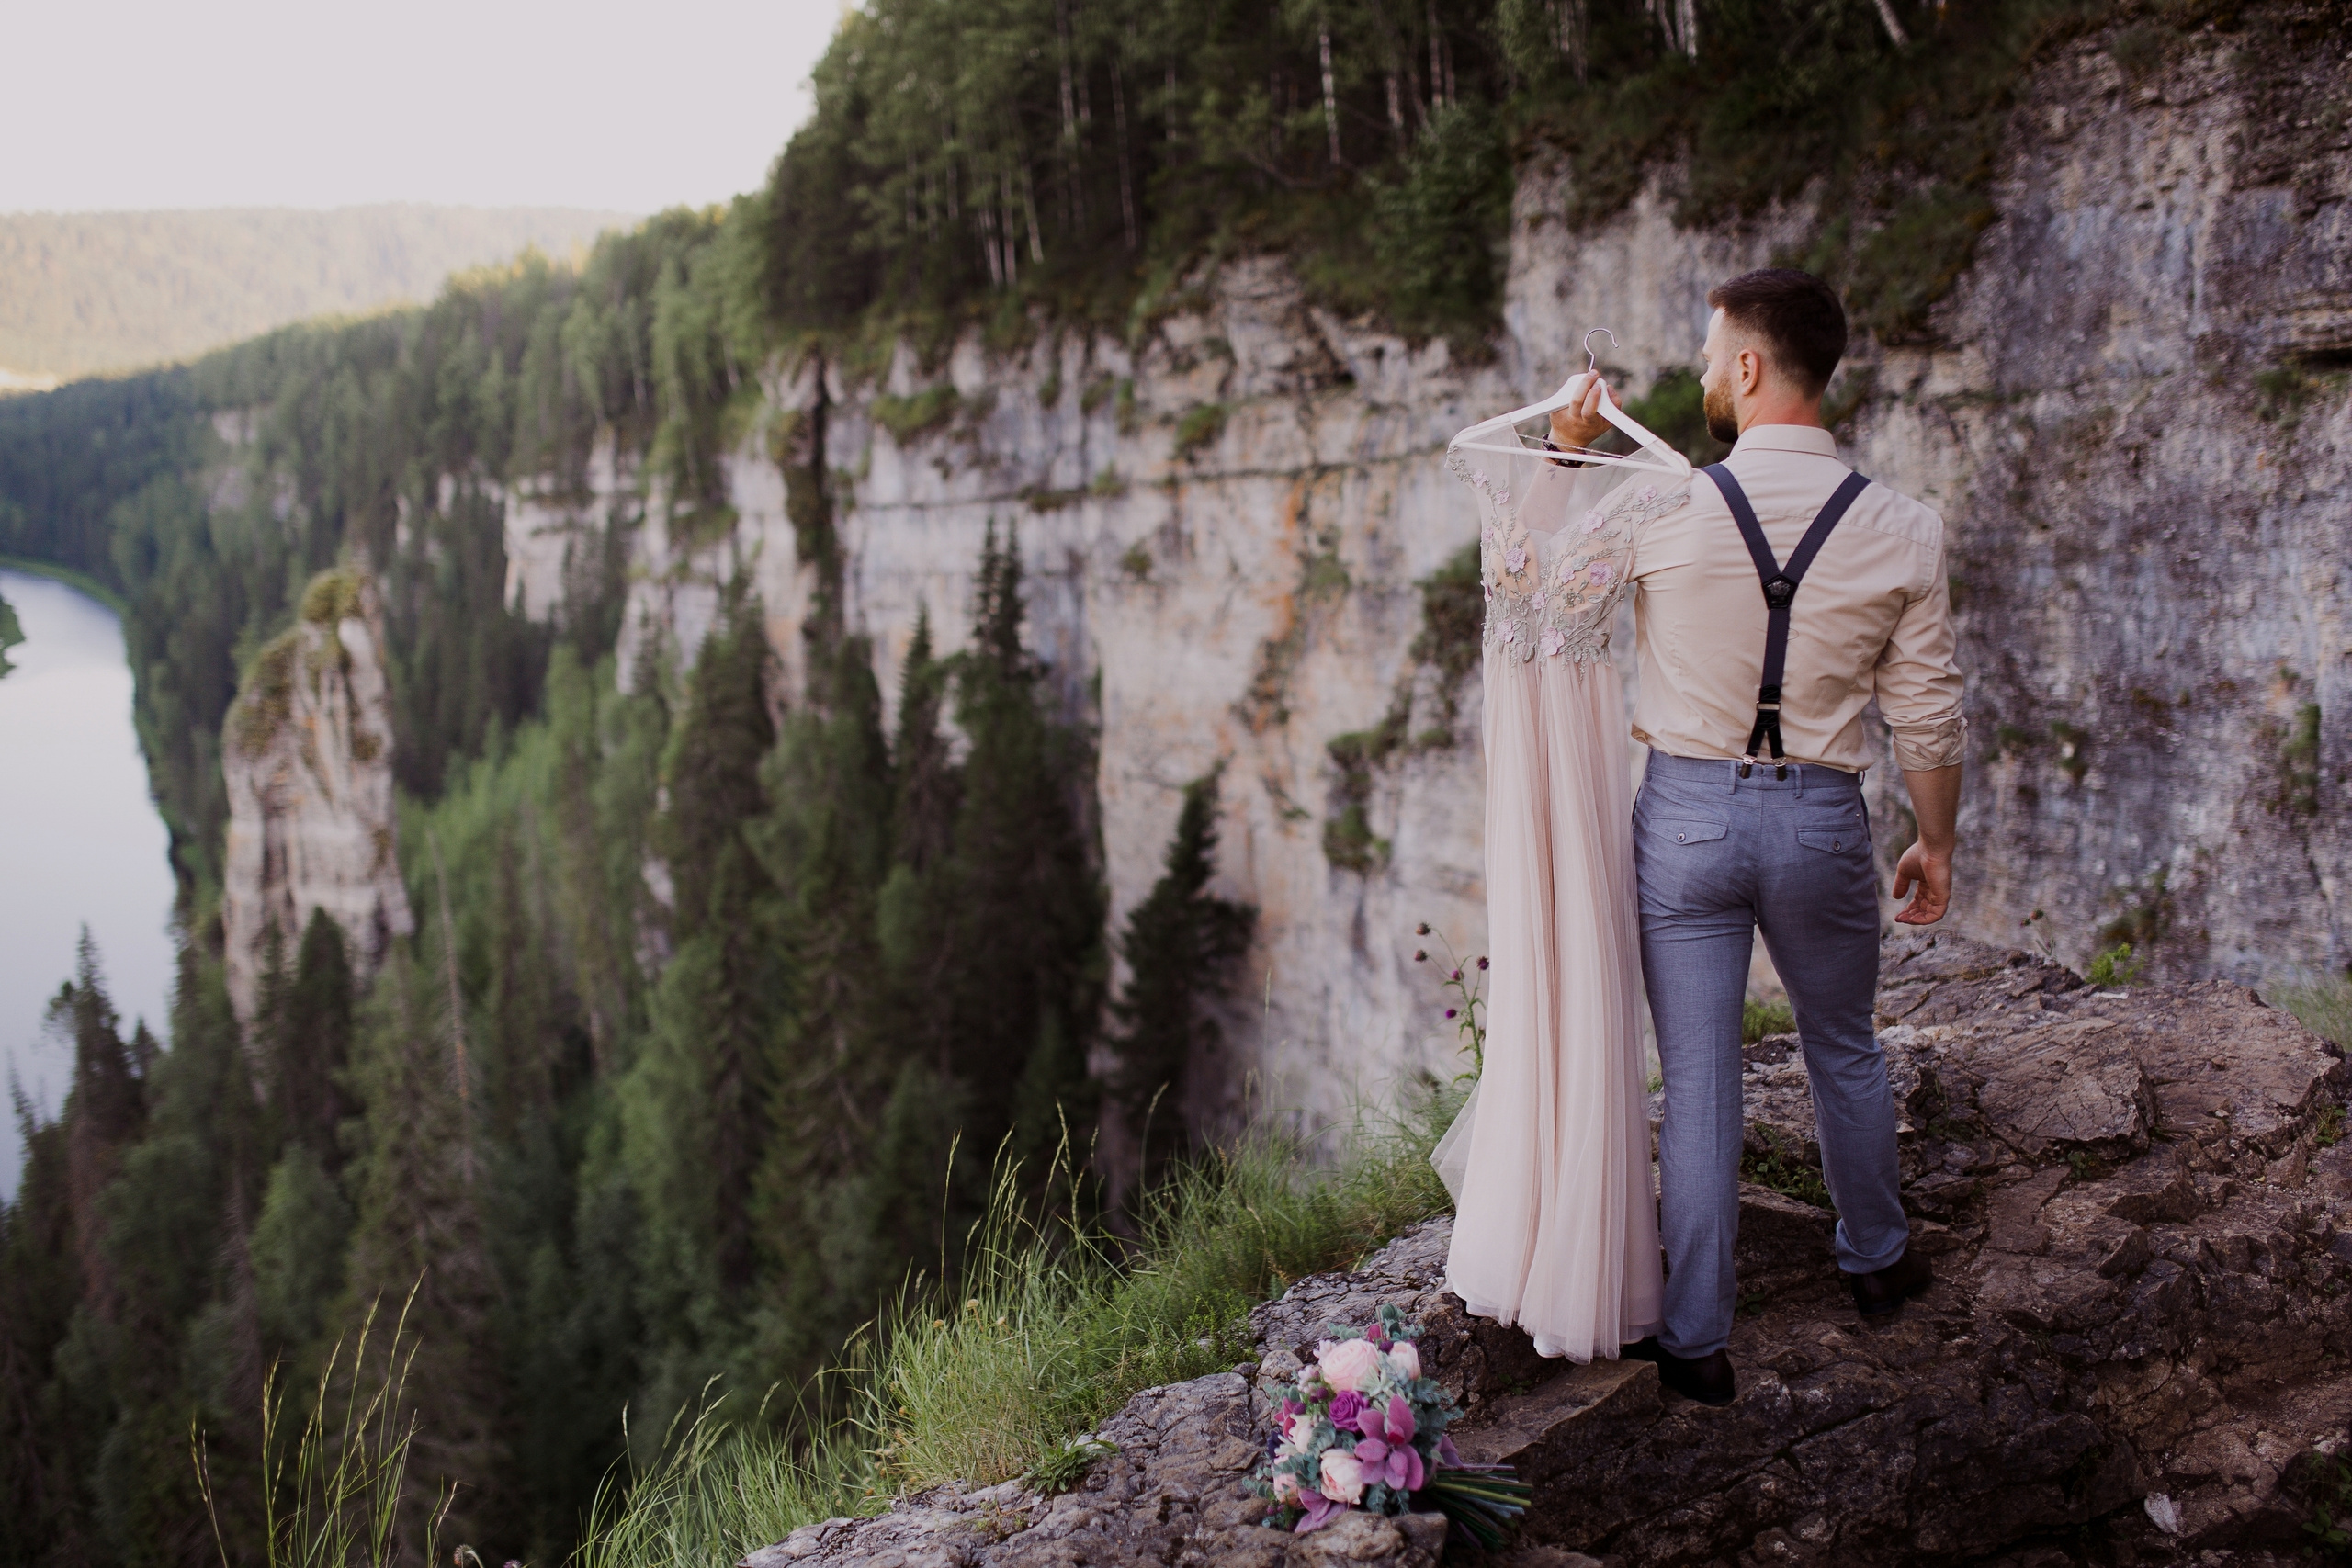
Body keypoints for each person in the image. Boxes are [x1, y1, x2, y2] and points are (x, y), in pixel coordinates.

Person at [1543, 267, 1966, 1405]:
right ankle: (1877, 1266)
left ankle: (1695, 1341)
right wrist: (1936, 843)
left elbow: (1542, 593)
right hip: (1823, 818)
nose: (1693, 375)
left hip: (1683, 815)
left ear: (1746, 367)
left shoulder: (1658, 504)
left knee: (1699, 1081)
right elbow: (1926, 711)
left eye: (1704, 354)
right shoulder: (1903, 527)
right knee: (1844, 1047)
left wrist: (1570, 452)